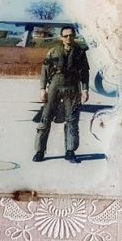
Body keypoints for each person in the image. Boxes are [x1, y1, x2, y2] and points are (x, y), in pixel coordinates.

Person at [33, 26, 89, 164]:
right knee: (46, 117)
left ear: (74, 36)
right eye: (65, 36)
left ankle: (70, 151)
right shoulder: (53, 51)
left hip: (72, 86)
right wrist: (42, 89)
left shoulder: (80, 53)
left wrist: (85, 90)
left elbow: (85, 72)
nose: (68, 38)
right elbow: (45, 70)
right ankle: (40, 151)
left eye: (71, 35)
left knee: (72, 119)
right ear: (61, 37)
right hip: (55, 85)